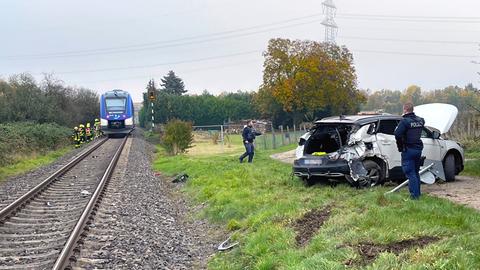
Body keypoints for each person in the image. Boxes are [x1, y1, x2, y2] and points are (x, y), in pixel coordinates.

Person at [394, 102, 425, 199]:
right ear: (412, 109)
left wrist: (400, 146)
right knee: (415, 172)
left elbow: (397, 134)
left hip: (408, 150)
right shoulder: (421, 120)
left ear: (405, 109)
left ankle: (414, 197)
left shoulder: (405, 121)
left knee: (410, 173)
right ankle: (418, 194)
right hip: (418, 149)